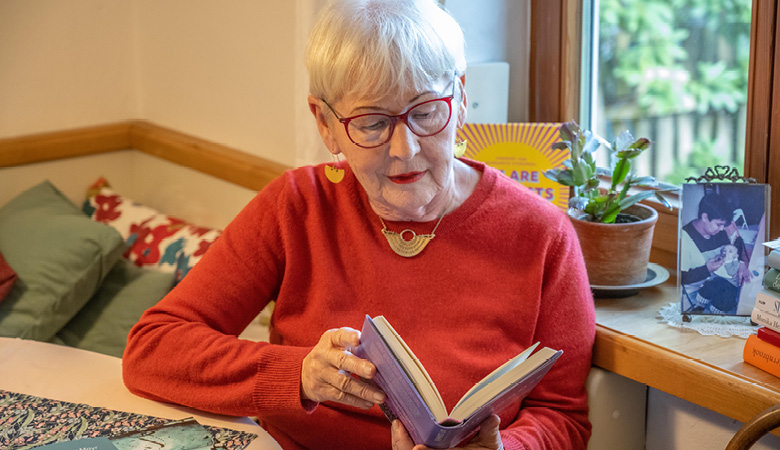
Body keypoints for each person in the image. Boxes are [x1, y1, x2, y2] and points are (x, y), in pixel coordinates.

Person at [122, 1, 595, 449]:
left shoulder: (543, 234)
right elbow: (153, 347)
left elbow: (562, 416)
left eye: (427, 112)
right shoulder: (297, 206)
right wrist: (300, 375)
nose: (404, 149)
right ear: (325, 124)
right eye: (371, 124)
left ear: (462, 97)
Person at [680, 190, 750, 314]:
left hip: (722, 284)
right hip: (698, 295)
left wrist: (740, 262)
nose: (722, 229)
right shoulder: (685, 238)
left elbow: (734, 245)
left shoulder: (719, 231)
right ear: (705, 217)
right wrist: (707, 268)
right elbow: (682, 278)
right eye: (718, 224)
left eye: (724, 225)